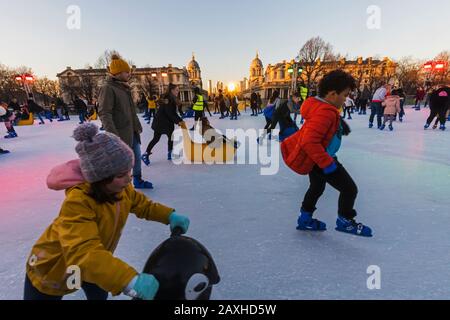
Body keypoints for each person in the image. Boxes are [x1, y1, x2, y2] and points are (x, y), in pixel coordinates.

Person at [23, 123, 190, 301]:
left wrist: (168, 215)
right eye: (120, 175)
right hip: (52, 269)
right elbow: (83, 252)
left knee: (99, 289)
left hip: (96, 261)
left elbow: (143, 205)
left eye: (129, 170)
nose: (128, 179)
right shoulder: (78, 202)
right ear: (99, 179)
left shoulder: (121, 189)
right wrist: (128, 280)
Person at [281, 70, 372, 237]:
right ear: (332, 94)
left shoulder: (321, 107)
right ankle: (345, 219)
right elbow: (310, 141)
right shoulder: (325, 113)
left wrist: (338, 124)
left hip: (316, 159)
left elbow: (318, 128)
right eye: (344, 96)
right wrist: (327, 164)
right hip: (322, 159)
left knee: (316, 187)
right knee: (349, 189)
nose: (345, 100)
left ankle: (305, 218)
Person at [98, 54, 153, 189]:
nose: (129, 74)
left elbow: (130, 111)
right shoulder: (108, 88)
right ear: (117, 72)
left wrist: (137, 125)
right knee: (123, 161)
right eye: (126, 71)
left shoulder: (124, 88)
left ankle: (138, 180)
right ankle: (121, 185)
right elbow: (105, 113)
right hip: (120, 133)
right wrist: (113, 135)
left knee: (136, 157)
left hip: (132, 131)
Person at [141, 83, 185, 165]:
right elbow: (169, 113)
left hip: (164, 122)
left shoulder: (171, 98)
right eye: (176, 90)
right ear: (172, 90)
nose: (177, 92)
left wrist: (179, 119)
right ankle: (146, 154)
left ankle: (169, 153)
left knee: (169, 137)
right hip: (162, 122)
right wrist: (178, 121)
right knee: (157, 138)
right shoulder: (168, 99)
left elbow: (172, 113)